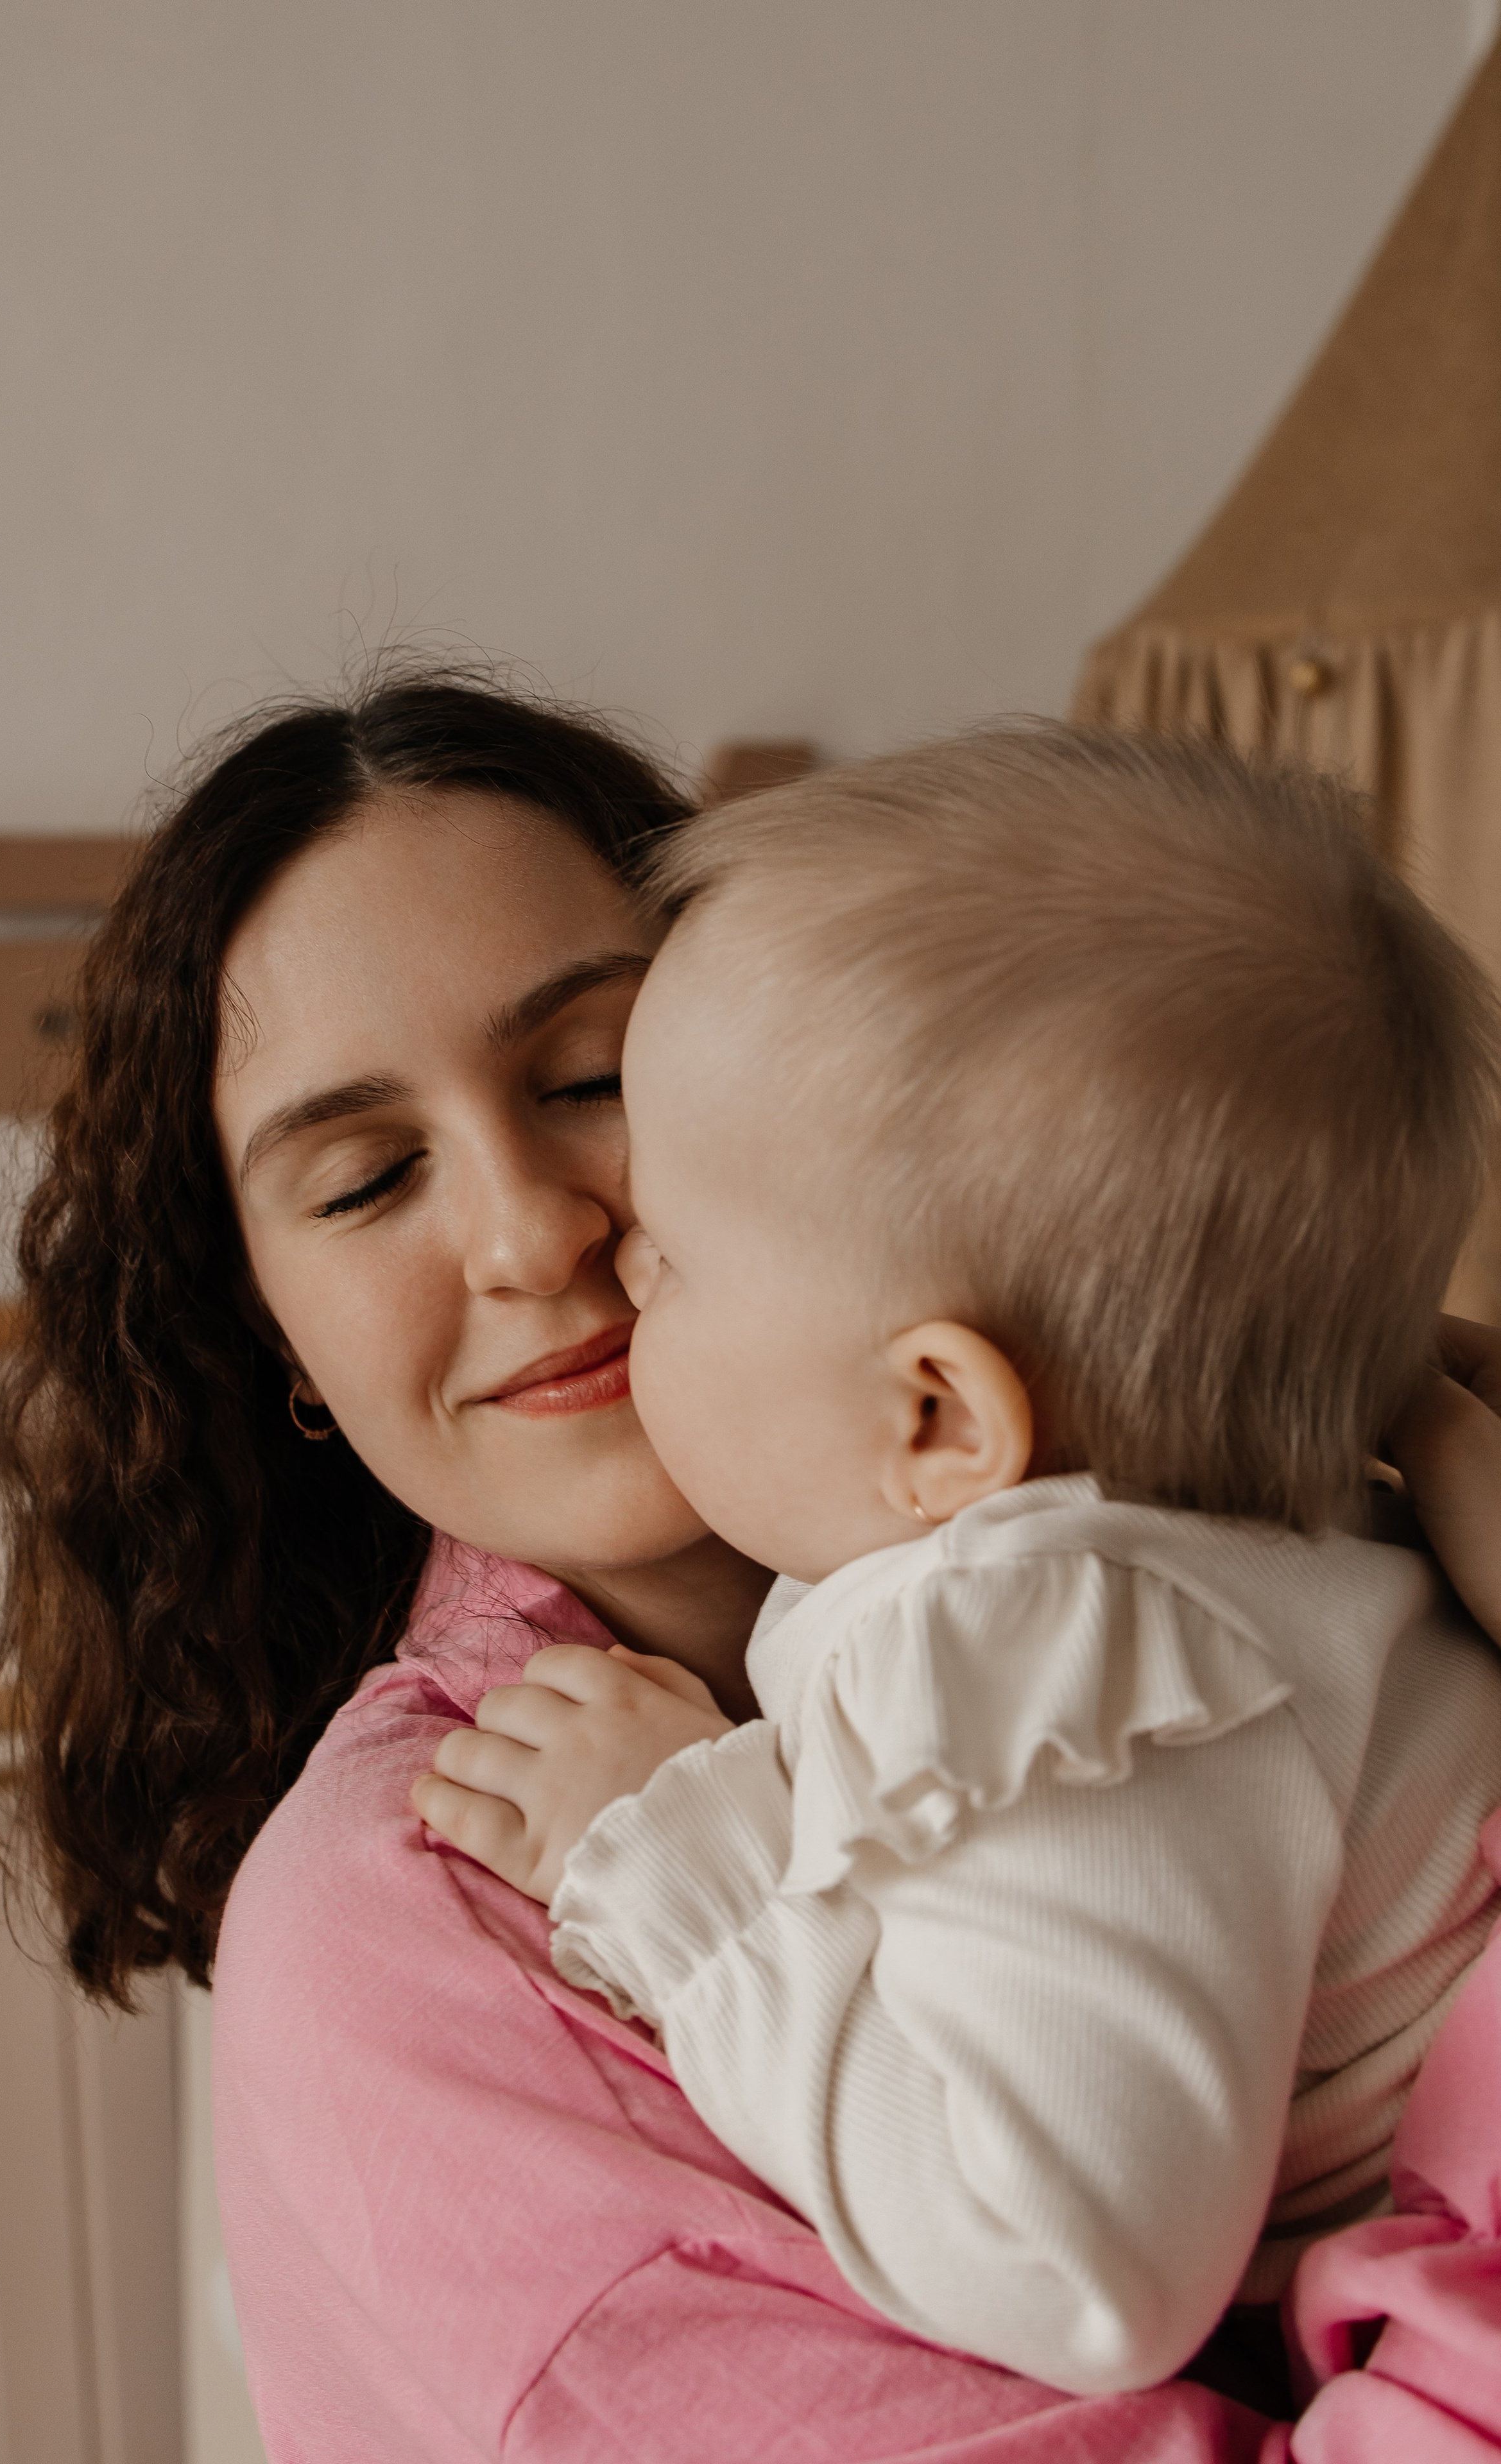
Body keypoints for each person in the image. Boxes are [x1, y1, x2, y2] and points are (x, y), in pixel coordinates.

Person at [0, 671, 1501, 2460]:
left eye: (599, 1075)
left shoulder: (1152, 1580)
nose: (540, 1232)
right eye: (370, 1178)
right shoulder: (436, 1902)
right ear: (275, 1333)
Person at [415, 724, 1501, 2397]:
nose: (609, 1269)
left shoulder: (1049, 1643)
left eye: (671, 1254)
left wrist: (697, 1865)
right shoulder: (1216, 1573)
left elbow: (1074, 2271)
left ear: (935, 1418)